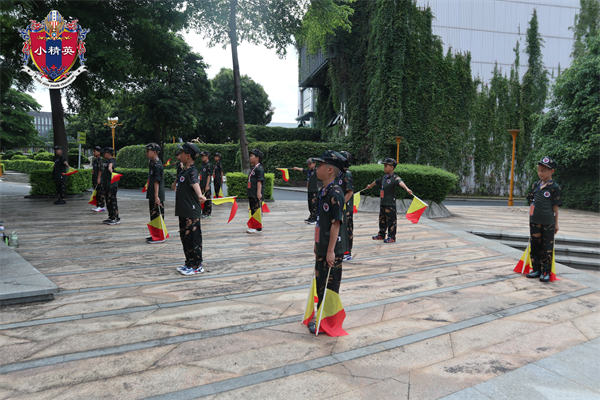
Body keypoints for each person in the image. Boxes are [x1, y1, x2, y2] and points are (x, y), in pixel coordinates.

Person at [306, 150, 348, 334]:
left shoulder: (335, 193)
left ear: (330, 169)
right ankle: (321, 315)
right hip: (322, 246)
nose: (317, 168)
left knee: (330, 286)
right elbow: (320, 222)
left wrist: (331, 251)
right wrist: (317, 244)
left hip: (332, 249)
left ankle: (328, 321)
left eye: (320, 165)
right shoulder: (324, 190)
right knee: (320, 283)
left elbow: (336, 224)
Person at [525, 157, 562, 283]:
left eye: (543, 171)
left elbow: (555, 206)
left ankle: (545, 272)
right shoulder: (536, 185)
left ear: (552, 171)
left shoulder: (554, 187)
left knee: (547, 247)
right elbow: (531, 201)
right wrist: (531, 217)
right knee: (535, 245)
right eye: (539, 170)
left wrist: (556, 223)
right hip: (535, 221)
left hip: (548, 222)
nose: (540, 173)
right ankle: (536, 269)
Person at [174, 142, 207, 276]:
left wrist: (200, 195)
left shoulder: (192, 170)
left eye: (182, 153)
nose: (179, 155)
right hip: (184, 210)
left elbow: (195, 182)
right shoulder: (185, 170)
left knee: (193, 238)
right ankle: (189, 262)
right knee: (185, 238)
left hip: (191, 211)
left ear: (188, 156)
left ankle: (196, 265)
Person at [366, 158, 412, 243]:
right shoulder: (384, 177)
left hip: (390, 204)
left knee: (391, 221)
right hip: (383, 202)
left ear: (392, 167)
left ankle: (391, 236)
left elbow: (400, 182)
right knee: (382, 219)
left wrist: (407, 189)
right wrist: (370, 186)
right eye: (384, 166)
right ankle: (381, 234)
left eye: (386, 166)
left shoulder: (394, 177)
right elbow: (376, 182)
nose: (384, 168)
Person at [145, 143, 166, 243]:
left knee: (158, 215)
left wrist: (156, 196)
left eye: (148, 151)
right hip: (153, 193)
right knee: (153, 215)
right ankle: (154, 235)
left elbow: (157, 181)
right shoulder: (152, 163)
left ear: (154, 152)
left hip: (157, 194)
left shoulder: (157, 164)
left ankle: (160, 236)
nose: (146, 153)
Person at [293, 158, 319, 225]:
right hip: (309, 190)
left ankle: (314, 219)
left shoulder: (316, 170)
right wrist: (296, 168)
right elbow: (302, 169)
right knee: (310, 205)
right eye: (308, 164)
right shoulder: (309, 171)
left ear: (314, 164)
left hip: (314, 191)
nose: (309, 165)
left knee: (314, 205)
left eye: (310, 164)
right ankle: (311, 217)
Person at [339, 151, 354, 260]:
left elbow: (350, 192)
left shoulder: (347, 174)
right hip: (341, 207)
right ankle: (342, 249)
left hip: (346, 207)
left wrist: (342, 203)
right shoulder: (340, 173)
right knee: (341, 229)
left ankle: (347, 252)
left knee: (347, 229)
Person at [247, 149, 265, 234]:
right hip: (251, 192)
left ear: (257, 158)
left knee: (256, 209)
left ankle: (258, 228)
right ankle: (253, 226)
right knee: (252, 209)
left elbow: (259, 181)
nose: (250, 157)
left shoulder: (259, 168)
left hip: (255, 193)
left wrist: (259, 193)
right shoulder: (254, 167)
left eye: (252, 156)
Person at [102, 147, 120, 225]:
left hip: (112, 185)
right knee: (108, 201)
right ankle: (111, 216)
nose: (103, 155)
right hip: (107, 184)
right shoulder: (107, 161)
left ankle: (116, 218)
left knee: (112, 201)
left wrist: (110, 168)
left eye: (104, 153)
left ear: (109, 153)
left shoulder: (112, 160)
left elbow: (111, 165)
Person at [91, 145, 106, 212]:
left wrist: (98, 178)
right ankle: (98, 205)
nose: (93, 152)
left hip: (99, 179)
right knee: (96, 192)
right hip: (95, 178)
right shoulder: (95, 160)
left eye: (95, 151)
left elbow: (100, 170)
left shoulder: (100, 160)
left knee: (100, 193)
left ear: (99, 152)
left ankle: (102, 206)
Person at [199, 150, 212, 218]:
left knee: (207, 200)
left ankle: (208, 213)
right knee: (203, 200)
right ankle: (203, 212)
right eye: (201, 156)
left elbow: (209, 176)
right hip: (202, 185)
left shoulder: (208, 165)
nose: (202, 157)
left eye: (203, 156)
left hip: (206, 185)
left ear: (207, 157)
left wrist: (207, 185)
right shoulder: (203, 165)